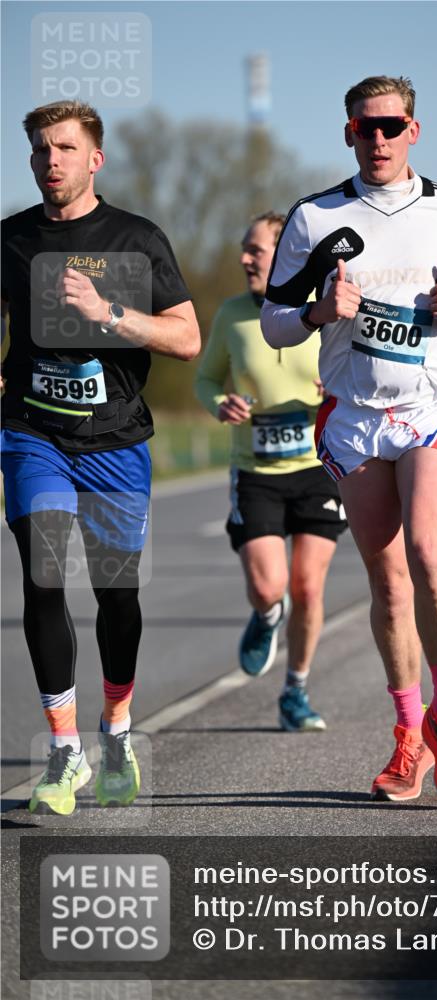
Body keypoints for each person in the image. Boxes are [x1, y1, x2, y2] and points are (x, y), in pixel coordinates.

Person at [261, 75, 437, 802]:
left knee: (429, 554)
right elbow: (272, 319)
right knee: (388, 580)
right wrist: (313, 314)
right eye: (365, 128)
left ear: (413, 132)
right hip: (355, 414)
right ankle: (407, 739)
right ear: (347, 133)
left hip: (430, 405)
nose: (378, 140)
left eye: (391, 127)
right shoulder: (313, 216)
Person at [1, 101, 199, 815]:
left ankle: (115, 731)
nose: (50, 160)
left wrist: (108, 315)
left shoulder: (136, 238)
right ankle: (64, 753)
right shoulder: (11, 238)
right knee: (44, 573)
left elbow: (186, 339)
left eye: (63, 148)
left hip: (115, 441)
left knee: (118, 598)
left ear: (95, 159)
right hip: (33, 434)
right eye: (39, 150)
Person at [195, 212, 347, 732]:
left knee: (307, 587)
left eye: (254, 250)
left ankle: (295, 691)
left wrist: (338, 392)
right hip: (255, 471)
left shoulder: (326, 310)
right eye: (244, 248)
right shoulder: (232, 315)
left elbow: (359, 372)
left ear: (285, 257)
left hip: (317, 467)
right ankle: (264, 617)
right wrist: (220, 401)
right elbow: (205, 377)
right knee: (269, 587)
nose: (244, 258)